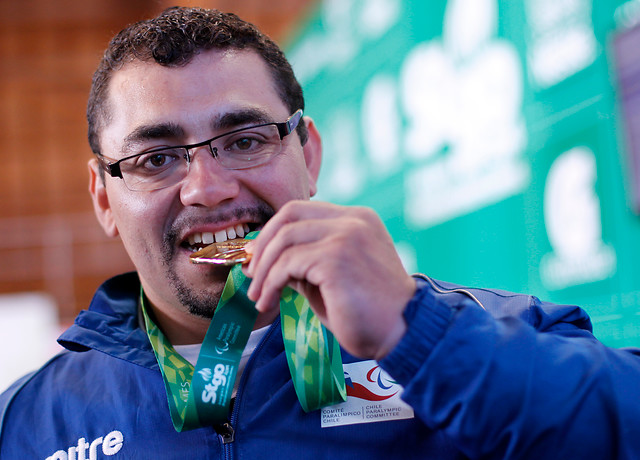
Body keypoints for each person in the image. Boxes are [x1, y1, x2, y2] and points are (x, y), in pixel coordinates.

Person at [1, 7, 639, 459]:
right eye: (156, 159)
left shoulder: (491, 332)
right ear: (104, 198)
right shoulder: (24, 425)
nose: (208, 188)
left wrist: (418, 336)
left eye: (245, 141)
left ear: (307, 153)